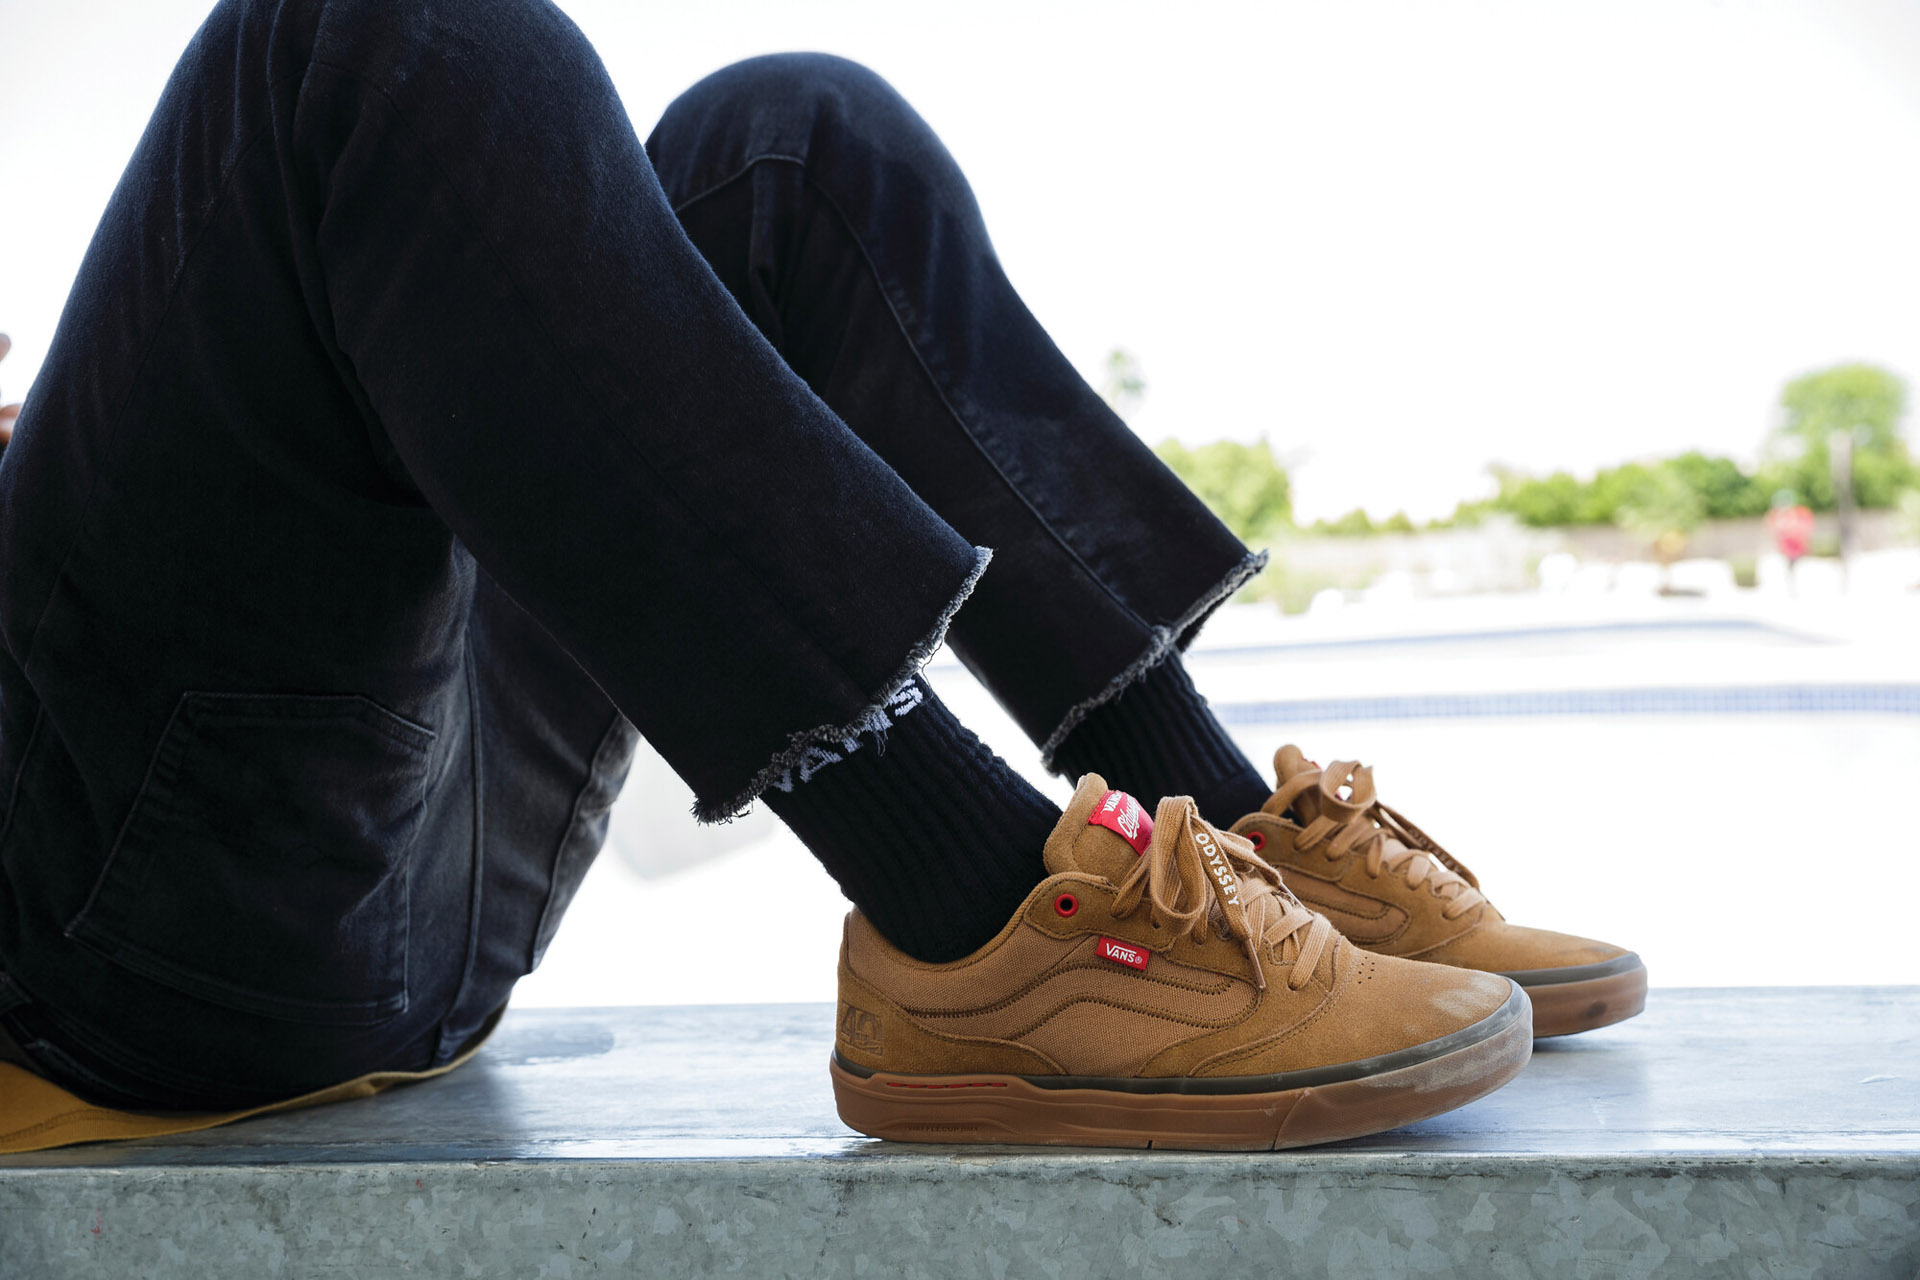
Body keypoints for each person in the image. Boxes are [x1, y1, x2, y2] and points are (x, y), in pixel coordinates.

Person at [0, 0, 1641, 1152]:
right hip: (109, 948)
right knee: (377, 37)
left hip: (416, 884)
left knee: (783, 143)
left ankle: (1206, 833)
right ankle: (979, 923)